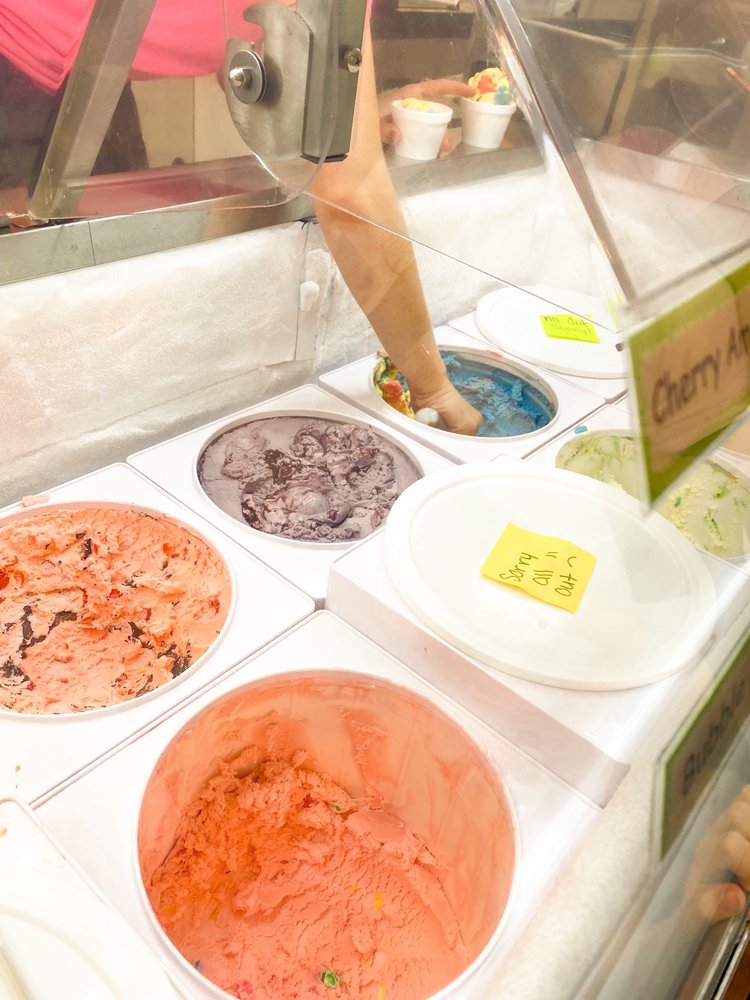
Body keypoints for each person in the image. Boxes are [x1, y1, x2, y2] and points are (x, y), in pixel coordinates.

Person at [0, 0, 483, 434]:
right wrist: (433, 389)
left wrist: (349, 113)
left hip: (95, 70)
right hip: (17, 62)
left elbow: (263, 82)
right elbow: (351, 194)